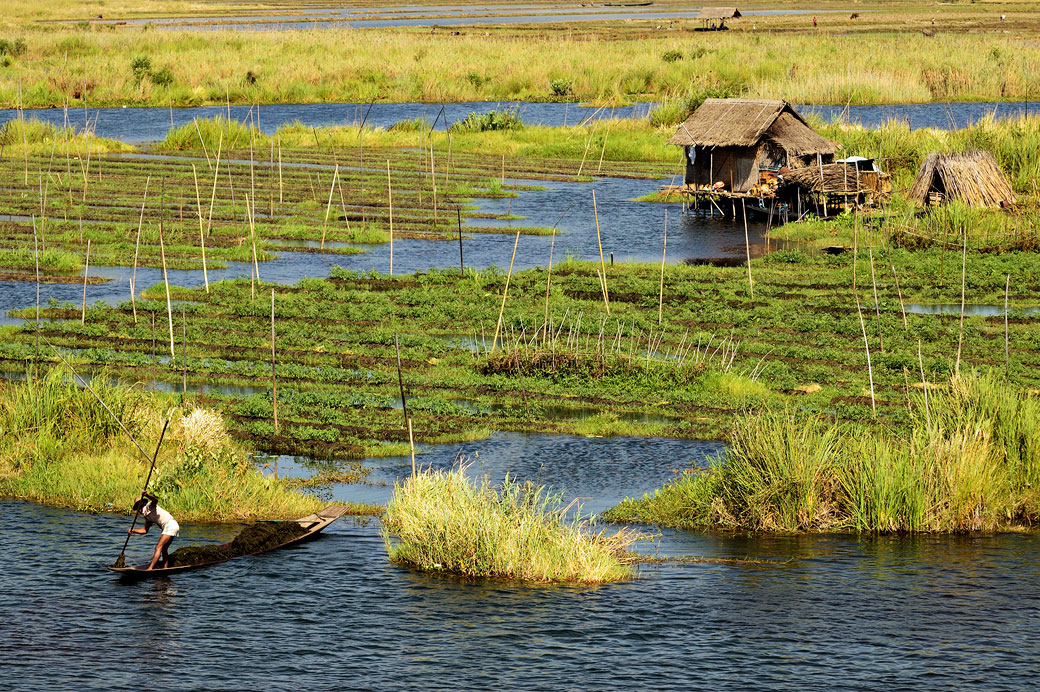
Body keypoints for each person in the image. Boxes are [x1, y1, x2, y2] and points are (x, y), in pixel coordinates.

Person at [129, 492, 179, 570]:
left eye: (137, 508)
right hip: (171, 526)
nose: (137, 511)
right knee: (164, 549)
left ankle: (150, 568)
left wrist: (147, 495)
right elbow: (145, 530)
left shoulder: (149, 506)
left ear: (140, 506)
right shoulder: (147, 517)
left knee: (158, 547)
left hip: (171, 525)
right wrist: (133, 530)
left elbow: (155, 500)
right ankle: (165, 568)